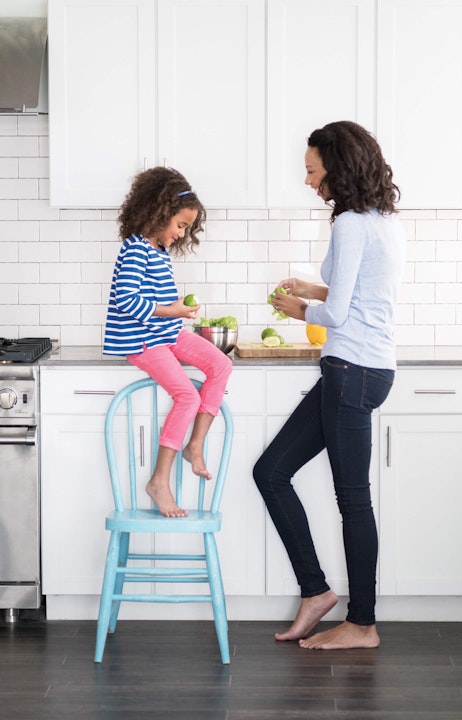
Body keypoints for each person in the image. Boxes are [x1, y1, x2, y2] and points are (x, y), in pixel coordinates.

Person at [253, 120, 406, 650]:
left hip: (351, 371)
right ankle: (316, 593)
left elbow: (338, 313)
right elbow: (360, 293)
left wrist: (299, 308)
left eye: (312, 170)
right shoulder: (382, 219)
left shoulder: (349, 225)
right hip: (366, 369)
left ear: (336, 168)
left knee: (353, 501)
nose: (307, 180)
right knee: (270, 472)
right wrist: (313, 287)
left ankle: (362, 624)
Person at [104, 166, 232, 518]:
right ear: (158, 213)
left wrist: (176, 314)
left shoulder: (156, 250)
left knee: (221, 365)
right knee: (187, 395)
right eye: (180, 225)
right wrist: (171, 311)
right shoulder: (135, 251)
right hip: (140, 340)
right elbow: (127, 302)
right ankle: (159, 480)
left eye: (187, 228)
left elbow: (155, 302)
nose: (181, 233)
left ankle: (195, 444)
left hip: (164, 333)